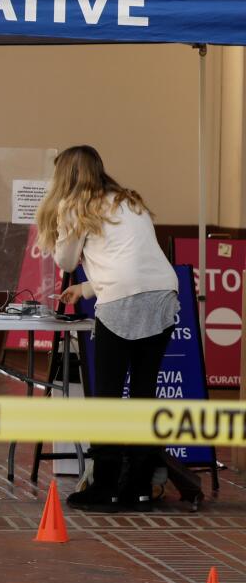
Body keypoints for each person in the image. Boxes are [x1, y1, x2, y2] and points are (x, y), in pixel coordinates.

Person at [37, 145, 178, 512]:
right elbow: (128, 259)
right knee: (145, 394)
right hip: (164, 294)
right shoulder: (129, 200)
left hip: (122, 301)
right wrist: (85, 288)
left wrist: (57, 231)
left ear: (65, 176)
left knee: (108, 396)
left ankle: (106, 489)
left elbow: (66, 259)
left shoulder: (73, 206)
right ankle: (140, 487)